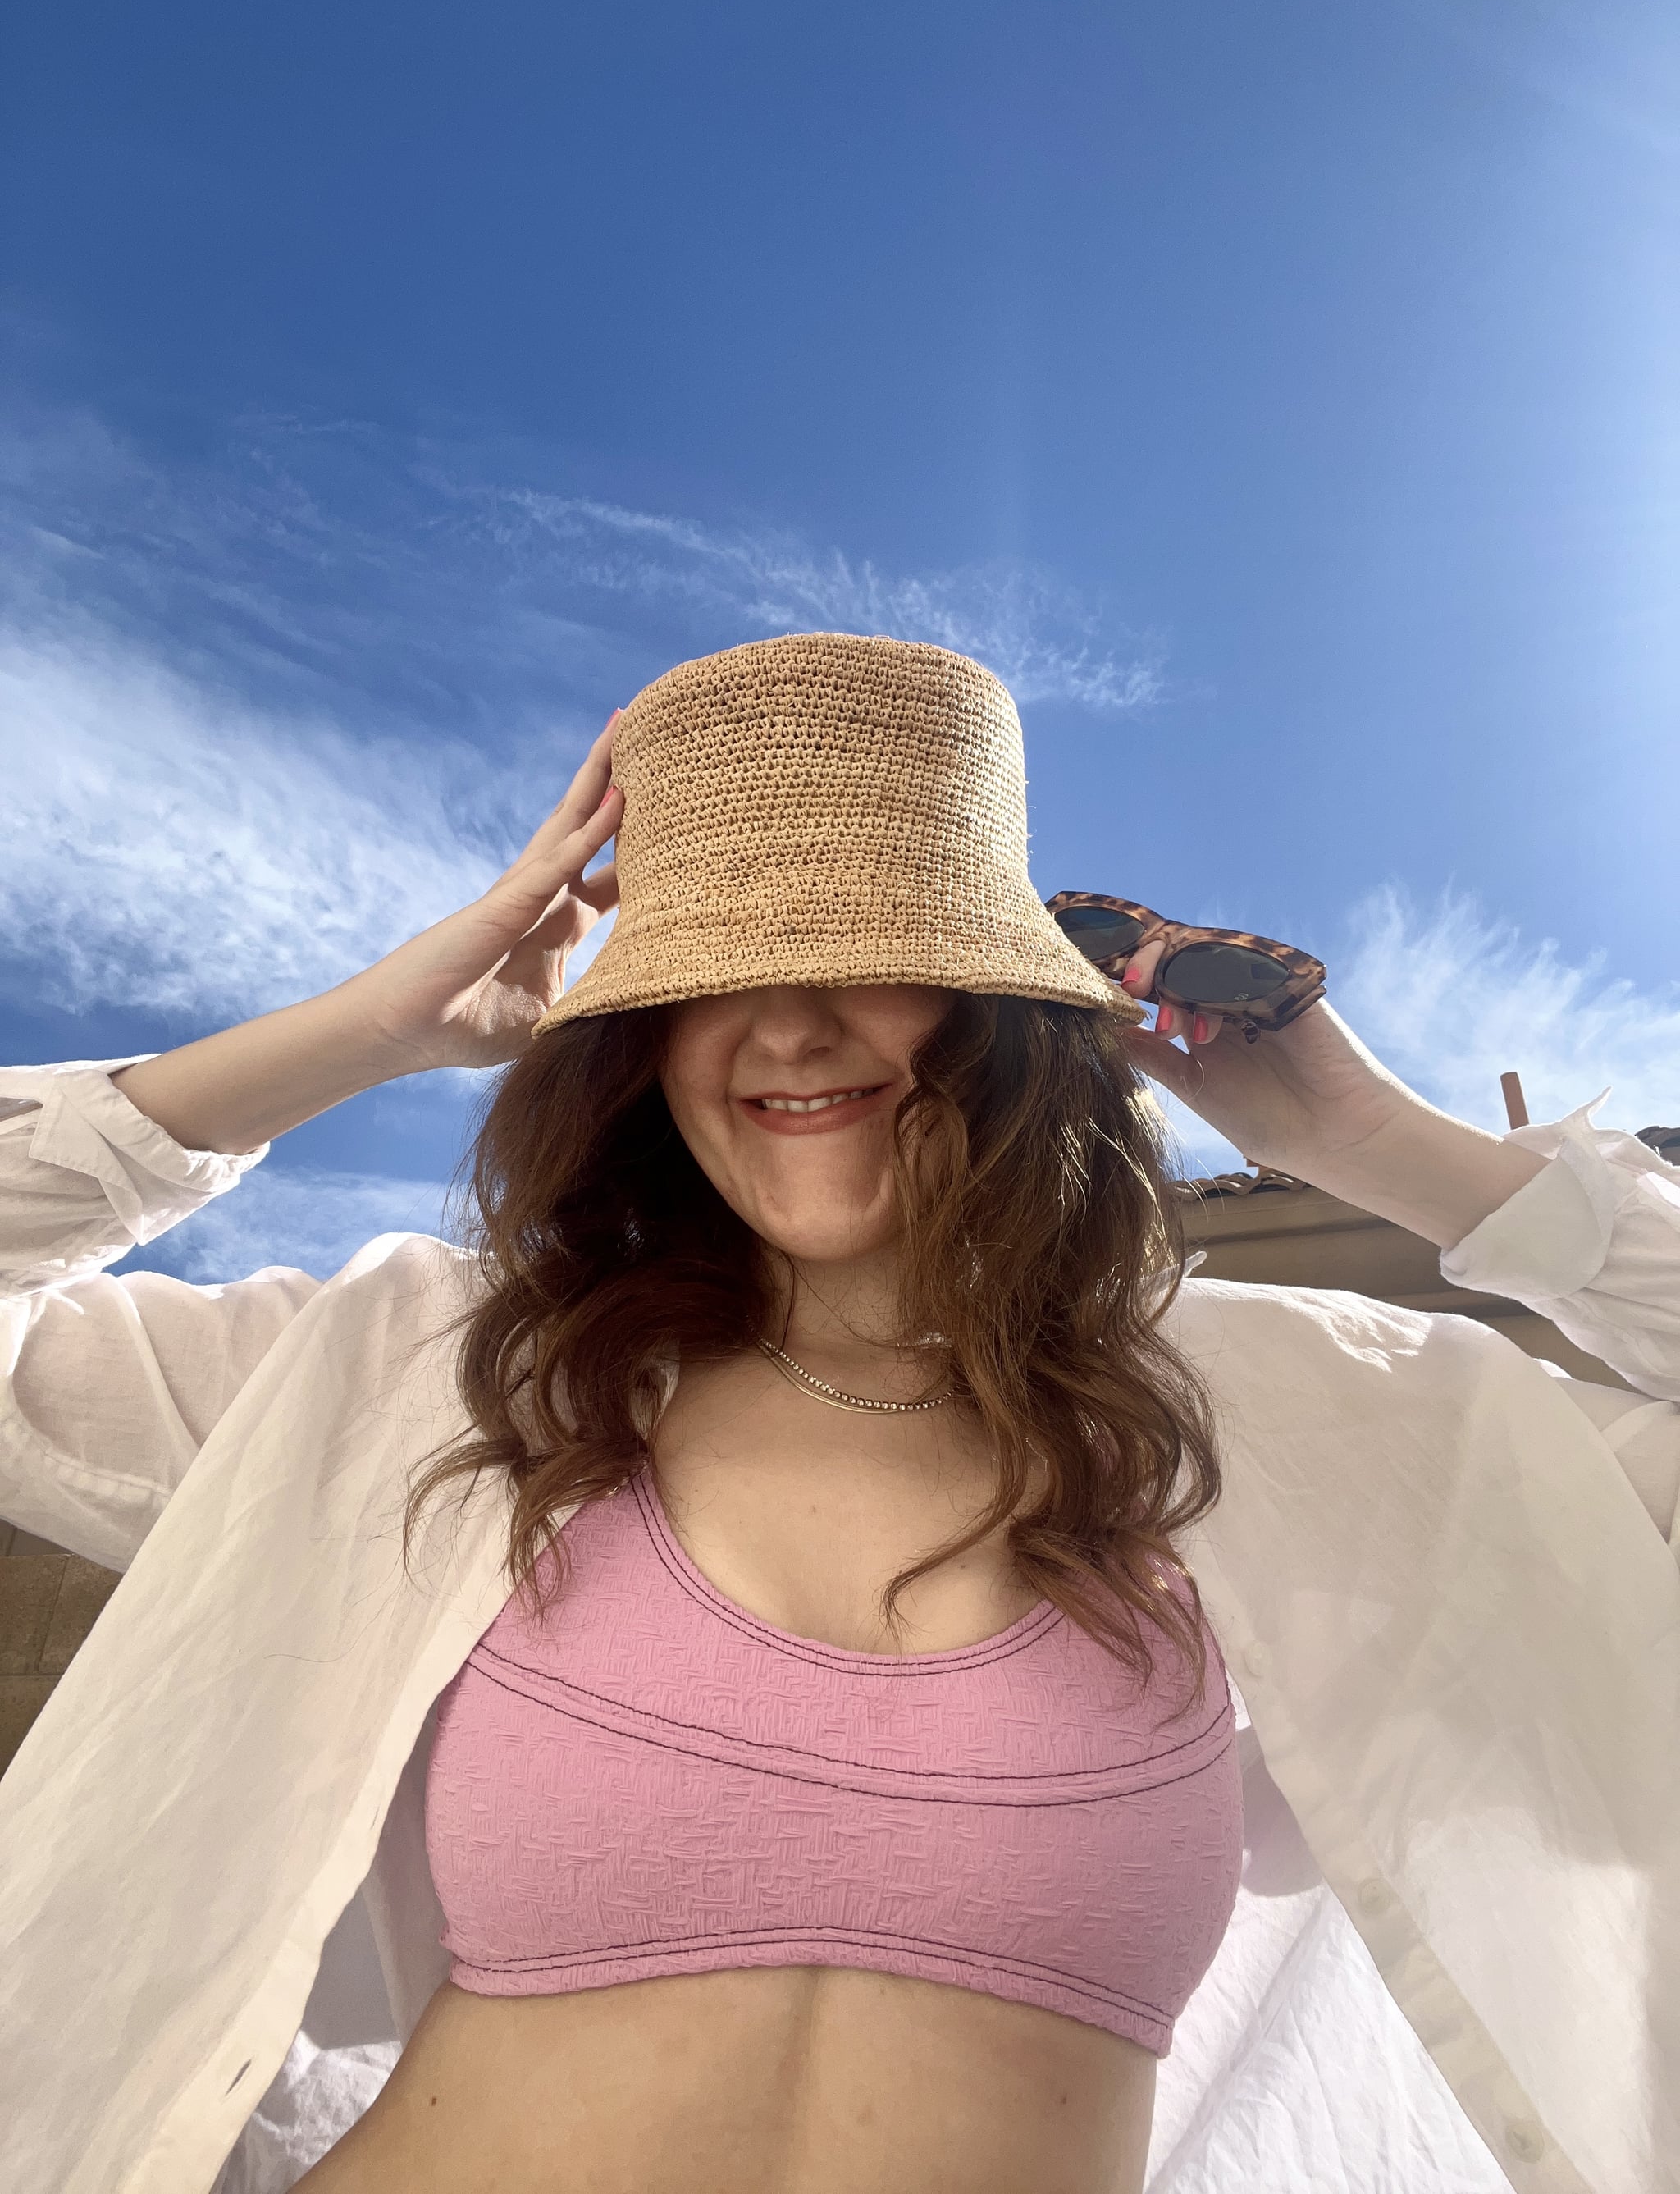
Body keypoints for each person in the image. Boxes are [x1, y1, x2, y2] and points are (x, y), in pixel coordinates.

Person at [1, 633, 1676, 2194]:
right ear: (636, 1040)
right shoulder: (442, 1372)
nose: (789, 1025)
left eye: (874, 957)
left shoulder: (1294, 1420)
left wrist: (1382, 1150)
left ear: (1007, 1013)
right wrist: (365, 1031)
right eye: (710, 971)